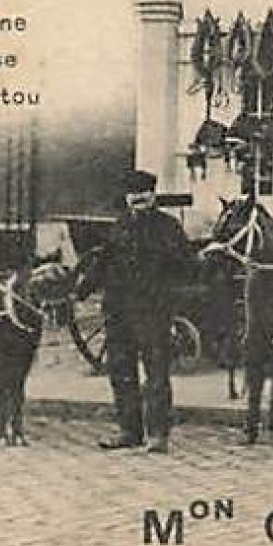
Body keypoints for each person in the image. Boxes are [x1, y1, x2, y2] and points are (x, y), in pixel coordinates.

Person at [77, 169, 191, 454]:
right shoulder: (119, 226)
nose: (138, 198)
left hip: (153, 310)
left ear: (153, 195)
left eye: (144, 193)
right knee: (121, 370)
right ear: (127, 198)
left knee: (156, 373)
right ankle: (130, 430)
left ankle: (158, 434)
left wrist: (172, 297)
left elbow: (185, 266)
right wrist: (82, 289)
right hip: (118, 310)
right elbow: (102, 261)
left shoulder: (169, 227)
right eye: (132, 193)